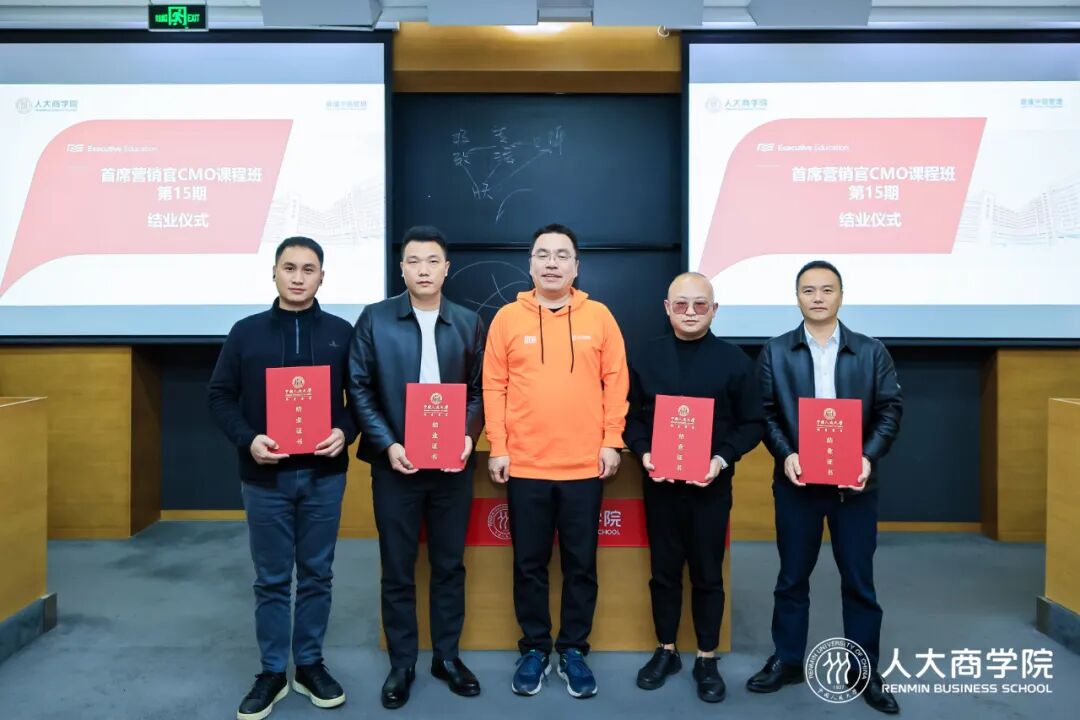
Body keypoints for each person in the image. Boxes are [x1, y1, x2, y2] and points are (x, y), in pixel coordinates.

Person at [208, 236, 357, 720]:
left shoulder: (341, 333)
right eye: (289, 268)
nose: (297, 277)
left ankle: (309, 664)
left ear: (322, 277)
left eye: (308, 269)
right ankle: (272, 671)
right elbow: (220, 396)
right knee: (271, 579)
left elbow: (361, 398)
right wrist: (248, 438)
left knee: (317, 574)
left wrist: (344, 431)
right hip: (265, 477)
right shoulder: (246, 333)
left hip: (323, 476)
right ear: (273, 272)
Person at [746, 260, 903, 715]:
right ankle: (788, 660)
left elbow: (890, 409)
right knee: (792, 578)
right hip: (797, 484)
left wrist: (866, 457)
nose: (817, 297)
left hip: (855, 486)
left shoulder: (871, 351)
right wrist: (786, 454)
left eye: (827, 289)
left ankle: (863, 669)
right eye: (808, 290)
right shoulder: (775, 351)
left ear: (841, 296)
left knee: (859, 582)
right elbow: (765, 413)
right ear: (797, 297)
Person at [483, 223, 629, 699]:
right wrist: (499, 446)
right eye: (542, 254)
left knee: (580, 565)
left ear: (576, 267)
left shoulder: (600, 317)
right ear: (530, 265)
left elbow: (617, 381)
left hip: (585, 466)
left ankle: (573, 651)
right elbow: (493, 386)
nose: (551, 263)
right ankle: (533, 648)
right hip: (525, 466)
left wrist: (612, 440)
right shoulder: (507, 318)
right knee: (529, 564)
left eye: (562, 255)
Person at [348, 225, 486, 709]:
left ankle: (446, 657)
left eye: (432, 261)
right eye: (413, 261)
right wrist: (387, 444)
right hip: (396, 466)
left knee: (449, 565)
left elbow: (479, 390)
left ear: (446, 269)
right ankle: (402, 663)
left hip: (452, 468)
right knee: (398, 569)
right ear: (401, 268)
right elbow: (359, 386)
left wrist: (467, 435)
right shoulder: (375, 319)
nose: (423, 270)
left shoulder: (469, 322)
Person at [625, 272, 764, 703]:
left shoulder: (735, 361)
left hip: (711, 487)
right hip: (660, 485)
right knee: (664, 572)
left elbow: (753, 423)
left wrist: (721, 459)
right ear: (667, 308)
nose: (690, 312)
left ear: (714, 310)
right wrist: (645, 452)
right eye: (681, 304)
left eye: (700, 304)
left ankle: (706, 657)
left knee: (707, 573)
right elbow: (628, 417)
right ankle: (666, 650)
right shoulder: (644, 357)